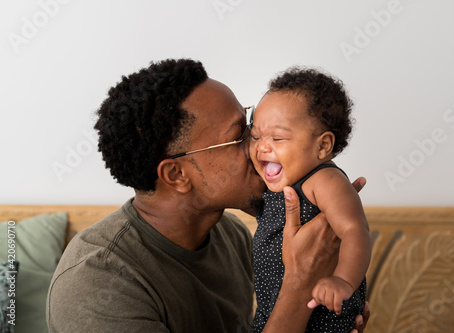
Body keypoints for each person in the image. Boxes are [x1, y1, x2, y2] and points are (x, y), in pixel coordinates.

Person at [46, 59, 369, 333]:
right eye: (239, 135)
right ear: (177, 175)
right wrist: (299, 287)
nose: (258, 147)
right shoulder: (96, 283)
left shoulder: (232, 235)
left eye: (253, 128)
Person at [249, 67, 371, 332]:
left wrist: (343, 280)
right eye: (255, 136)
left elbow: (354, 230)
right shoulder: (278, 185)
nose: (261, 147)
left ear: (323, 146)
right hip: (275, 316)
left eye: (278, 138)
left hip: (323, 318)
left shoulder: (324, 181)